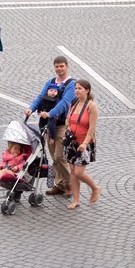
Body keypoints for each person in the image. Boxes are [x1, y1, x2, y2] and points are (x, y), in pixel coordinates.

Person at [25, 56, 76, 196]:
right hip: (49, 126)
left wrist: (50, 113)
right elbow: (40, 98)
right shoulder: (50, 82)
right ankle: (60, 185)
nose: (59, 69)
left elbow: (65, 103)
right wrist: (31, 108)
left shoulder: (71, 84)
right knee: (54, 157)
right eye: (57, 66)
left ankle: (69, 185)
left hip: (62, 125)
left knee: (60, 157)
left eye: (62, 66)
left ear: (67, 66)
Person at [64, 79, 101, 209]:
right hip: (72, 142)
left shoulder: (91, 106)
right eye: (76, 88)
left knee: (79, 172)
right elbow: (68, 119)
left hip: (84, 143)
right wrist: (68, 129)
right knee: (73, 172)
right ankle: (76, 200)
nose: (77, 91)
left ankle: (95, 188)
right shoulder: (74, 103)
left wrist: (84, 143)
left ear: (87, 90)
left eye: (80, 88)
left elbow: (91, 128)